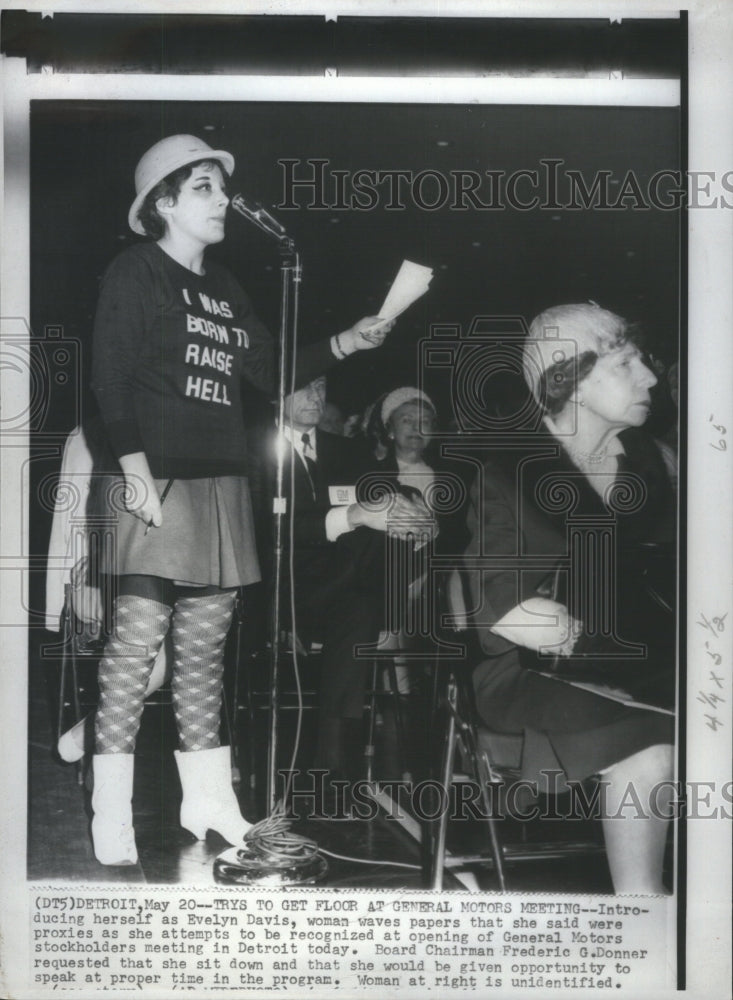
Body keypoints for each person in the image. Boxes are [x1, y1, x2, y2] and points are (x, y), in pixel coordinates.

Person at [88, 133, 391, 865]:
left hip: (220, 482)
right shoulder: (136, 272)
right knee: (134, 649)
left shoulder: (224, 287)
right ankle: (110, 806)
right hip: (151, 476)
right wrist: (131, 470)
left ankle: (209, 801)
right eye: (203, 188)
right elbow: (110, 377)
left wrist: (346, 343)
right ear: (162, 202)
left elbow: (268, 368)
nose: (222, 200)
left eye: (220, 189)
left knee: (202, 654)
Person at [463, 302, 675, 894]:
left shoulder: (652, 466)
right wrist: (537, 617)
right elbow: (500, 611)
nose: (651, 378)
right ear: (570, 380)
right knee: (653, 743)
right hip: (530, 677)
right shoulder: (507, 471)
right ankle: (643, 908)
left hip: (640, 664)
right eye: (627, 363)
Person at [262, 376, 428, 776]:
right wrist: (352, 516)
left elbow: (389, 492)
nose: (315, 397)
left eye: (320, 388)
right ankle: (388, 602)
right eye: (303, 389)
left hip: (342, 588)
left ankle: (331, 764)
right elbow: (262, 528)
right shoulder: (254, 446)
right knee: (365, 586)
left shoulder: (347, 451)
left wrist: (419, 519)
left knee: (360, 605)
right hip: (277, 589)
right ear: (276, 393)